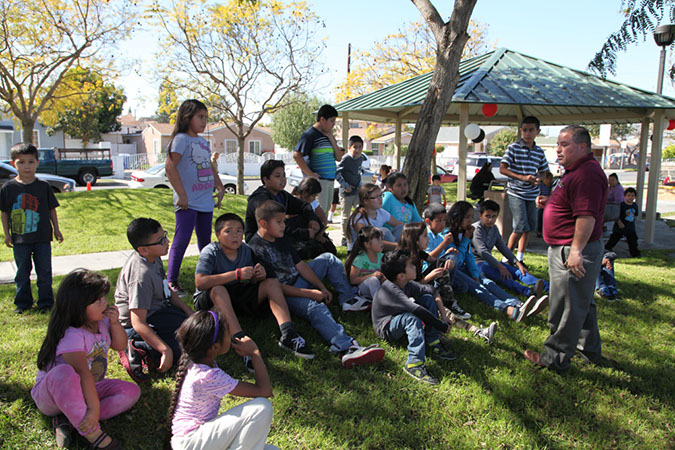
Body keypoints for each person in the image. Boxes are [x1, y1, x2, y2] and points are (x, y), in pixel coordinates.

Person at [249, 200, 385, 366]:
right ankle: (346, 348)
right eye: (279, 222)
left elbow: (301, 266)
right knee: (316, 307)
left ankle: (349, 299)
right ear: (263, 223)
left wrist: (321, 287)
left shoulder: (281, 238)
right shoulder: (256, 248)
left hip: (298, 281)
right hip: (285, 294)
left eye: (284, 220)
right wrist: (310, 293)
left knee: (328, 258)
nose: (284, 225)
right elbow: (275, 287)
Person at [524, 125, 608, 372]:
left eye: (564, 144)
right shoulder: (576, 171)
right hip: (567, 247)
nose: (558, 150)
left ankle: (555, 358)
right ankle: (588, 350)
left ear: (582, 147)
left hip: (571, 249)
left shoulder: (586, 175)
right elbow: (575, 206)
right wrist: (552, 203)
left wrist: (575, 251)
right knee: (582, 303)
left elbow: (586, 217)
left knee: (566, 306)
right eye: (558, 145)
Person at [32, 269, 140, 449]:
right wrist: (93, 408)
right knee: (64, 372)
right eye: (99, 301)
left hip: (90, 387)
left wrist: (115, 324)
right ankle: (94, 436)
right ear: (78, 307)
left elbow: (120, 346)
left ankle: (71, 420)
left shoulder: (102, 322)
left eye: (104, 297)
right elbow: (82, 373)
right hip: (51, 395)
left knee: (131, 392)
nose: (105, 302)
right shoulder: (71, 335)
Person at [193, 213, 314, 364]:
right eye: (228, 231)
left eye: (239, 231)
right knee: (218, 289)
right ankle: (241, 341)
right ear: (217, 234)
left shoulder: (245, 249)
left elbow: (251, 279)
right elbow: (200, 282)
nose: (235, 235)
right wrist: (236, 274)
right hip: (210, 301)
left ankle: (288, 334)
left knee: (271, 282)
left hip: (235, 297)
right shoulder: (210, 251)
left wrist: (258, 275)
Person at [169, 311, 275, 450]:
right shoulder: (207, 376)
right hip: (191, 443)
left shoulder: (196, 362)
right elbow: (264, 391)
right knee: (262, 407)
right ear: (216, 347)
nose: (231, 335)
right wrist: (255, 353)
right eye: (227, 333)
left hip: (196, 441)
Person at [115, 218, 195, 383]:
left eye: (164, 236)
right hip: (138, 324)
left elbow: (167, 290)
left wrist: (189, 312)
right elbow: (138, 322)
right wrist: (165, 350)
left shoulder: (154, 256)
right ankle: (137, 347)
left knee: (197, 331)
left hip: (159, 311)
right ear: (143, 250)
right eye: (161, 240)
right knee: (186, 353)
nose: (167, 241)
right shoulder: (140, 276)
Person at [164, 99, 226, 297]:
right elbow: (170, 167)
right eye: (200, 117)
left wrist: (219, 185)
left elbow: (208, 166)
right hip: (187, 202)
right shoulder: (181, 139)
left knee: (205, 241)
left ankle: (207, 276)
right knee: (181, 239)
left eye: (206, 118)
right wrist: (182, 195)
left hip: (205, 200)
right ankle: (171, 281)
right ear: (186, 117)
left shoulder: (202, 142)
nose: (204, 122)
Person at [372, 250, 457, 385]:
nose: (415, 267)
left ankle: (433, 341)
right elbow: (417, 310)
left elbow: (432, 291)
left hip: (400, 315)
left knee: (428, 299)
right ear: (401, 276)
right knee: (411, 318)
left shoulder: (406, 283)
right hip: (387, 326)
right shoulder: (391, 290)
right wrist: (440, 325)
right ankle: (414, 364)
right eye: (411, 265)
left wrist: (444, 315)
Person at [447, 201, 539, 322]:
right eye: (467, 217)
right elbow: (456, 262)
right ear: (458, 217)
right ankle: (507, 309)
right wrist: (465, 240)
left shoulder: (466, 232)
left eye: (471, 217)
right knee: (479, 288)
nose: (470, 220)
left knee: (488, 283)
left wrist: (475, 275)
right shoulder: (448, 235)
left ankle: (518, 304)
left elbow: (469, 257)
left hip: (465, 268)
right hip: (454, 272)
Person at [1, 142, 63, 314]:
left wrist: (56, 229)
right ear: (13, 164)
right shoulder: (8, 188)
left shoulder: (43, 186)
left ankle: (46, 303)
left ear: (37, 162)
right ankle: (23, 303)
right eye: (21, 162)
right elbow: (5, 212)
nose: (26, 166)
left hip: (43, 238)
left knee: (44, 272)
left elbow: (51, 209)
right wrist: (7, 234)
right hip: (20, 240)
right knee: (22, 273)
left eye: (30, 161)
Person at [472, 200, 549, 313]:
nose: (490, 219)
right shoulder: (476, 229)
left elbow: (503, 247)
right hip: (479, 264)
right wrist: (500, 266)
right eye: (487, 216)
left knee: (518, 272)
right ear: (480, 215)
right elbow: (482, 252)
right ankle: (529, 292)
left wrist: (517, 262)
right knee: (504, 276)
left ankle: (547, 287)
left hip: (491, 262)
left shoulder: (494, 229)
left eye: (494, 216)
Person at [499, 116, 549, 263]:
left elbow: (544, 171)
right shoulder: (513, 147)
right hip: (516, 192)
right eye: (525, 130)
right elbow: (503, 169)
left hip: (532, 194)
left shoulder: (539, 151)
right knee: (520, 225)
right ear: (521, 130)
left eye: (531, 130)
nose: (527, 133)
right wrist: (522, 177)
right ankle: (506, 258)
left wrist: (539, 178)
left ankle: (519, 257)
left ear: (538, 131)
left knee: (529, 227)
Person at [244, 159, 321, 243]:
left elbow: (304, 206)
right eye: (277, 176)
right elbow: (273, 226)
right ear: (266, 179)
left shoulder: (282, 195)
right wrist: (304, 233)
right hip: (262, 241)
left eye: (284, 175)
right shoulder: (260, 199)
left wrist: (312, 219)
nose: (283, 179)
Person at [293, 104, 344, 213]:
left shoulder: (328, 136)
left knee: (325, 210)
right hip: (319, 182)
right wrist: (311, 174)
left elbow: (339, 158)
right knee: (318, 213)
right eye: (332, 121)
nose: (333, 125)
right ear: (322, 119)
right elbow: (297, 155)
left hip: (330, 181)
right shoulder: (310, 135)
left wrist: (332, 140)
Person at [287, 177, 337, 258]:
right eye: (313, 196)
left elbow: (323, 218)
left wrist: (319, 234)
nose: (314, 199)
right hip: (301, 235)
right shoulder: (293, 202)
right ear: (305, 193)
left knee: (330, 249)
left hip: (315, 233)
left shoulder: (313, 202)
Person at [347, 183, 403, 250]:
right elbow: (370, 241)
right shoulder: (358, 218)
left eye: (380, 195)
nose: (380, 199)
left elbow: (401, 226)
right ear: (365, 201)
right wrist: (399, 246)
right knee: (384, 231)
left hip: (377, 250)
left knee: (402, 228)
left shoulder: (381, 212)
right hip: (361, 253)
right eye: (376, 197)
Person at [336, 136, 367, 246]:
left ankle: (361, 234)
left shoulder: (361, 158)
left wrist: (360, 186)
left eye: (360, 147)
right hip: (346, 193)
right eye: (355, 147)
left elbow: (358, 171)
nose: (358, 150)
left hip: (357, 193)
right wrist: (346, 186)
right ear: (349, 147)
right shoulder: (346, 159)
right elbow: (336, 172)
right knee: (346, 216)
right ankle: (344, 237)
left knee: (361, 213)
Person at [345, 226, 386, 301]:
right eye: (378, 239)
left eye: (381, 239)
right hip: (364, 288)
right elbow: (353, 280)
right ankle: (379, 305)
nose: (382, 242)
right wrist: (371, 276)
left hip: (379, 287)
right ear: (367, 244)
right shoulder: (360, 259)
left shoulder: (382, 257)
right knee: (373, 280)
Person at [605, 187, 640, 257]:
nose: (630, 197)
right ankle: (607, 249)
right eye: (629, 195)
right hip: (620, 227)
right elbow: (616, 216)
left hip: (630, 227)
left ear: (635, 197)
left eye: (632, 195)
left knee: (633, 240)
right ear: (625, 196)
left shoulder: (635, 205)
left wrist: (634, 219)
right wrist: (619, 223)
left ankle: (635, 254)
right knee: (614, 238)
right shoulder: (621, 205)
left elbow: (635, 215)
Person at [536, 171, 554, 237]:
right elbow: (538, 193)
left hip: (548, 201)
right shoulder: (541, 185)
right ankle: (539, 231)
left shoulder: (551, 185)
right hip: (541, 201)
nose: (549, 181)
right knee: (540, 215)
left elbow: (552, 193)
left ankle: (545, 231)